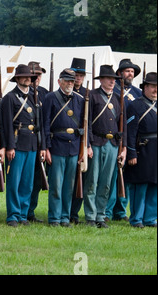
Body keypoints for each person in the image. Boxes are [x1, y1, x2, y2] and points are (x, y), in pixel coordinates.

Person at [0, 64, 46, 227]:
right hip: (17, 144)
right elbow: (6, 124)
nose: (28, 79)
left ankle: (23, 214)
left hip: (32, 144)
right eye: (24, 76)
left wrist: (42, 147)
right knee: (14, 182)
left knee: (28, 182)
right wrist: (10, 146)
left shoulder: (36, 97)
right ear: (17, 79)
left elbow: (40, 124)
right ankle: (13, 215)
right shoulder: (10, 98)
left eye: (30, 77)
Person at [83, 65, 126, 228]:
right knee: (92, 182)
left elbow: (123, 127)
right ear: (101, 79)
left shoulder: (118, 98)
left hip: (113, 145)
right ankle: (90, 216)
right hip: (96, 143)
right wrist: (87, 145)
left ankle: (101, 215)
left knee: (106, 183)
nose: (112, 81)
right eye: (109, 78)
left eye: (114, 79)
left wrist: (124, 148)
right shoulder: (92, 96)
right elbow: (87, 123)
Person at [43, 69, 87, 227]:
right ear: (59, 81)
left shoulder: (80, 100)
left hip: (74, 147)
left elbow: (84, 125)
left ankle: (65, 217)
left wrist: (84, 147)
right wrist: (46, 147)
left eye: (72, 81)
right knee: (56, 185)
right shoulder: (50, 98)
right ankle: (54, 217)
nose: (70, 83)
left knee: (69, 185)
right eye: (67, 80)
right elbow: (45, 124)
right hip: (56, 146)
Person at [105, 58, 143, 222]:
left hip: (132, 139)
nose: (130, 74)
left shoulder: (138, 93)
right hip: (114, 137)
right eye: (127, 71)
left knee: (126, 178)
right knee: (112, 176)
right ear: (120, 73)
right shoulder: (112, 91)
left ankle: (121, 211)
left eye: (132, 71)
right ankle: (107, 211)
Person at [124, 72, 157, 228]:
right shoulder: (135, 105)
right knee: (140, 186)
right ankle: (136, 219)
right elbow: (130, 132)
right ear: (145, 88)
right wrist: (131, 152)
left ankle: (150, 218)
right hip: (142, 150)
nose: (155, 89)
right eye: (152, 86)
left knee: (154, 186)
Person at [27, 61, 49, 223]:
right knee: (24, 179)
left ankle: (30, 211)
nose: (37, 78)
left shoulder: (45, 94)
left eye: (39, 74)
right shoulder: (22, 92)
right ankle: (20, 211)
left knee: (37, 179)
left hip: (41, 142)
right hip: (25, 141)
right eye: (34, 74)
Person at [69, 57, 88, 224]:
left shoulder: (88, 95)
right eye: (75, 74)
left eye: (81, 75)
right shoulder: (63, 92)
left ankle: (74, 214)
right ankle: (64, 212)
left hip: (82, 142)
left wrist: (87, 145)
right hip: (67, 142)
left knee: (80, 180)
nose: (78, 78)